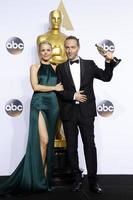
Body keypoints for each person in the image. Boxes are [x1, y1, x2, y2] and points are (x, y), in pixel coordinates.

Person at [56, 36, 120, 193]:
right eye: (67, 47)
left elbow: (106, 77)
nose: (69, 50)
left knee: (90, 146)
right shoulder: (60, 68)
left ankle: (93, 181)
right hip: (69, 111)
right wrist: (73, 95)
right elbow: (59, 91)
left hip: (86, 112)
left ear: (78, 47)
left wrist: (108, 61)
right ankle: (77, 179)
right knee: (71, 148)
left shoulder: (89, 64)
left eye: (72, 47)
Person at [0, 41, 63, 196]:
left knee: (47, 145)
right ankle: (37, 179)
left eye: (49, 50)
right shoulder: (34, 67)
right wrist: (54, 88)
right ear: (39, 52)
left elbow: (65, 85)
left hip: (54, 105)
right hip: (39, 103)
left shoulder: (57, 67)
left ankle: (44, 179)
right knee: (44, 140)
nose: (46, 52)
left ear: (51, 51)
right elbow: (36, 86)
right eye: (43, 50)